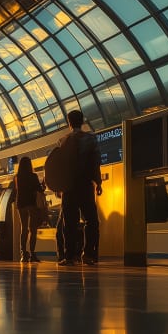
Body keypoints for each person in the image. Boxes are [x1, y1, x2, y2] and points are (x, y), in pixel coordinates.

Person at [58, 110, 102, 266]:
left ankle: (69, 256)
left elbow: (59, 166)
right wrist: (98, 182)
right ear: (82, 122)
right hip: (85, 186)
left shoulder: (63, 141)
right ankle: (88, 253)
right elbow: (96, 162)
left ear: (69, 123)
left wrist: (58, 186)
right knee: (91, 221)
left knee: (69, 223)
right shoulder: (91, 139)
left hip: (68, 187)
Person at [14, 156, 44, 263]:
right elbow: (39, 189)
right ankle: (32, 253)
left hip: (21, 205)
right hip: (31, 204)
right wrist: (43, 185)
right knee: (33, 230)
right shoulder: (33, 176)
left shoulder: (17, 177)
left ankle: (23, 254)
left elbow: (16, 191)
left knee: (24, 228)